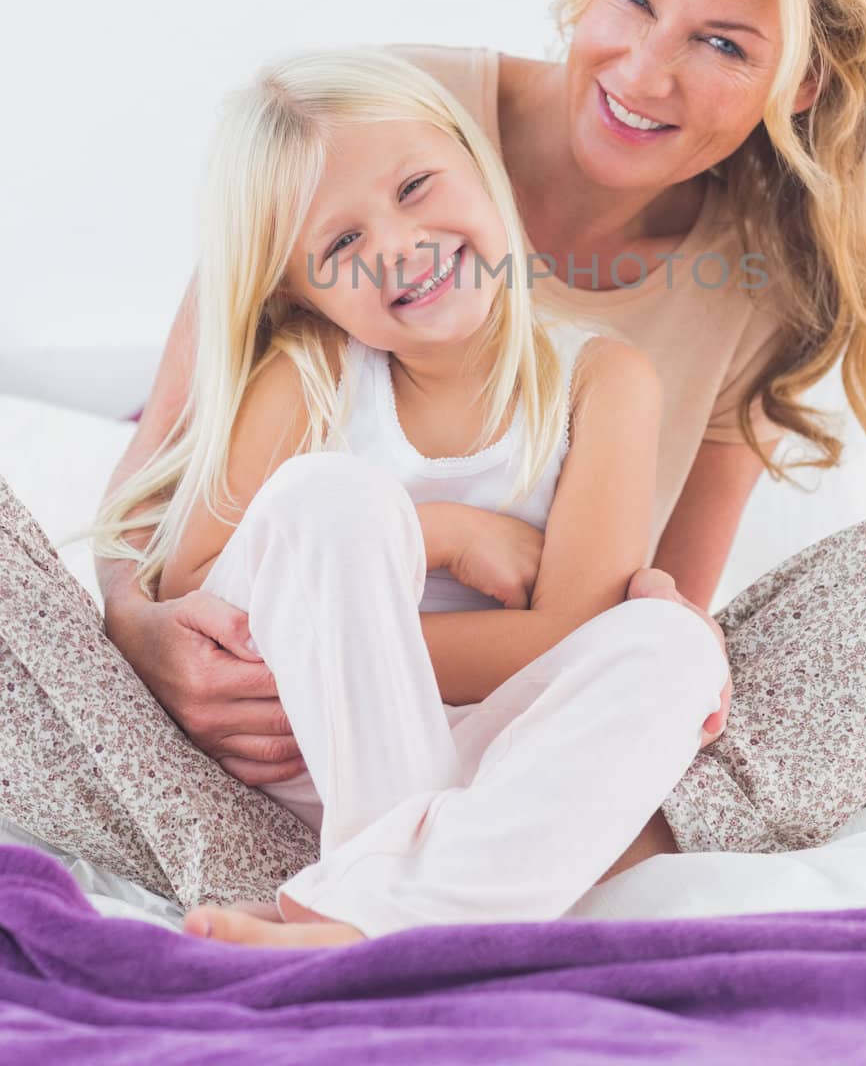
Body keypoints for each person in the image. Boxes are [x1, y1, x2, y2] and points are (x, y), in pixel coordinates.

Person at [94, 0, 866, 871]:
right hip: (245, 723)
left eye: (721, 44)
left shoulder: (762, 280)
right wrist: (140, 636)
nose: (641, 71)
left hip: (495, 724)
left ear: (805, 84)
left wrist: (373, 651)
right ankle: (478, 869)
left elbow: (639, 614)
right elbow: (155, 496)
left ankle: (491, 852)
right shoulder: (378, 129)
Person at [91, 47, 731, 942]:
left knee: (674, 645)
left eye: (416, 186)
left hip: (473, 761)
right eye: (341, 244)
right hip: (299, 749)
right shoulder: (309, 375)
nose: (395, 245)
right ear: (300, 292)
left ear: (479, 160)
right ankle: (402, 897)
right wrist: (433, 534)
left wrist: (345, 638)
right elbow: (197, 602)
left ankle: (369, 912)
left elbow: (567, 639)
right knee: (329, 497)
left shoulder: (603, 383)